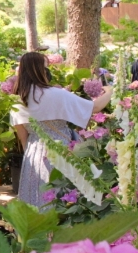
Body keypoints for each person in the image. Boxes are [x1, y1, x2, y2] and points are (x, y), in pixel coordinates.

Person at [11, 52, 112, 208]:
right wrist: (110, 91)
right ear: (40, 70)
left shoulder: (18, 100)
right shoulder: (57, 94)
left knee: (37, 199)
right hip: (61, 148)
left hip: (34, 152)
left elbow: (23, 137)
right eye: (46, 68)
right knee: (65, 197)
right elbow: (95, 107)